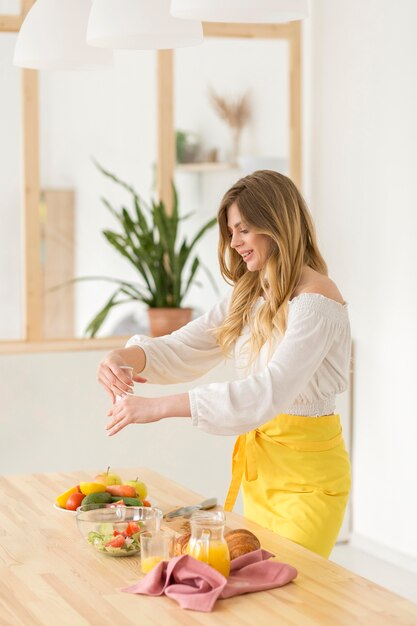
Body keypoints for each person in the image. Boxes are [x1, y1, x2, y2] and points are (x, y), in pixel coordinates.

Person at [97, 170, 351, 558]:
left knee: (295, 594)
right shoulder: (251, 296)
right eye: (231, 233)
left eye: (243, 230)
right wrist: (122, 358)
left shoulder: (316, 301)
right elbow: (184, 346)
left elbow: (266, 393)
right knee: (261, 597)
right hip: (263, 471)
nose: (234, 243)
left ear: (277, 224)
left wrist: (156, 407)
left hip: (309, 482)